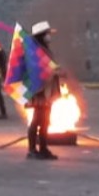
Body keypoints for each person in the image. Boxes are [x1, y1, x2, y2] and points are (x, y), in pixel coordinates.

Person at [27, 22, 61, 162]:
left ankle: (43, 148)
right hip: (39, 91)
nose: (49, 36)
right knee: (37, 120)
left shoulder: (43, 49)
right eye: (47, 33)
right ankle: (32, 150)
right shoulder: (36, 51)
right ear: (41, 35)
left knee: (45, 121)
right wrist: (54, 72)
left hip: (46, 91)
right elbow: (38, 70)